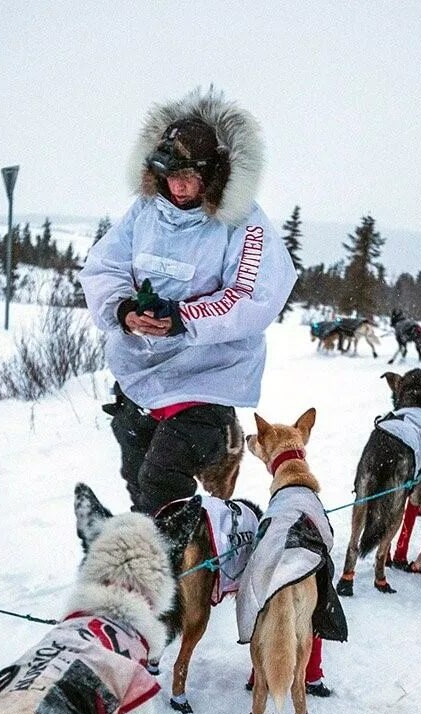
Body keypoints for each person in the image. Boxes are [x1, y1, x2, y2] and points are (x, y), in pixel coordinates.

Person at [80, 88, 297, 514]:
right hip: (140, 373)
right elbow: (104, 267)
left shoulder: (244, 224)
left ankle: (182, 570)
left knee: (161, 482)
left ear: (211, 174)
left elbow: (252, 296)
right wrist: (124, 309)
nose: (177, 186)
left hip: (208, 378)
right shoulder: (145, 213)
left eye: (188, 177)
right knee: (138, 482)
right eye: (169, 175)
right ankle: (163, 549)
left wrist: (183, 317)